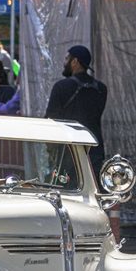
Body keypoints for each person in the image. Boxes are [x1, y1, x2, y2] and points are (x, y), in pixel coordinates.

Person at [45, 44, 108, 177]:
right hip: (94, 151)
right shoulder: (101, 89)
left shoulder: (61, 87)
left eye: (67, 58)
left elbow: (50, 121)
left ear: (75, 62)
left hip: (68, 153)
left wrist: (51, 152)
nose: (64, 63)